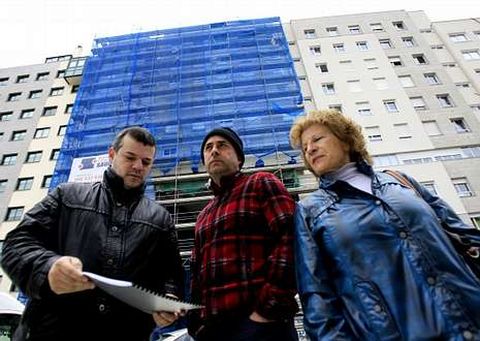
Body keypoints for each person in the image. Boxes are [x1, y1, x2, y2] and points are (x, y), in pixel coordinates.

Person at [289, 109, 480, 340]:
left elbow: (466, 236)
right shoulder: (309, 210)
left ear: (347, 140)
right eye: (304, 147)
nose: (309, 149)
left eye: (317, 139)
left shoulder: (400, 180)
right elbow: (318, 298)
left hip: (470, 317)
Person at [1, 126, 184, 341]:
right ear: (111, 154)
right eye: (130, 157)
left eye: (146, 162)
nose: (137, 167)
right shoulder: (67, 196)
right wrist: (47, 268)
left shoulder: (160, 219)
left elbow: (171, 274)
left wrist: (169, 300)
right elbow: (15, 244)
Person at [187, 127, 299, 341]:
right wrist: (197, 324)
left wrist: (268, 309)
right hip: (213, 330)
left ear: (239, 159)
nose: (214, 151)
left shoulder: (261, 183)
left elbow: (291, 239)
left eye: (222, 145)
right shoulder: (203, 214)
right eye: (208, 148)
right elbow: (196, 272)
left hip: (263, 325)